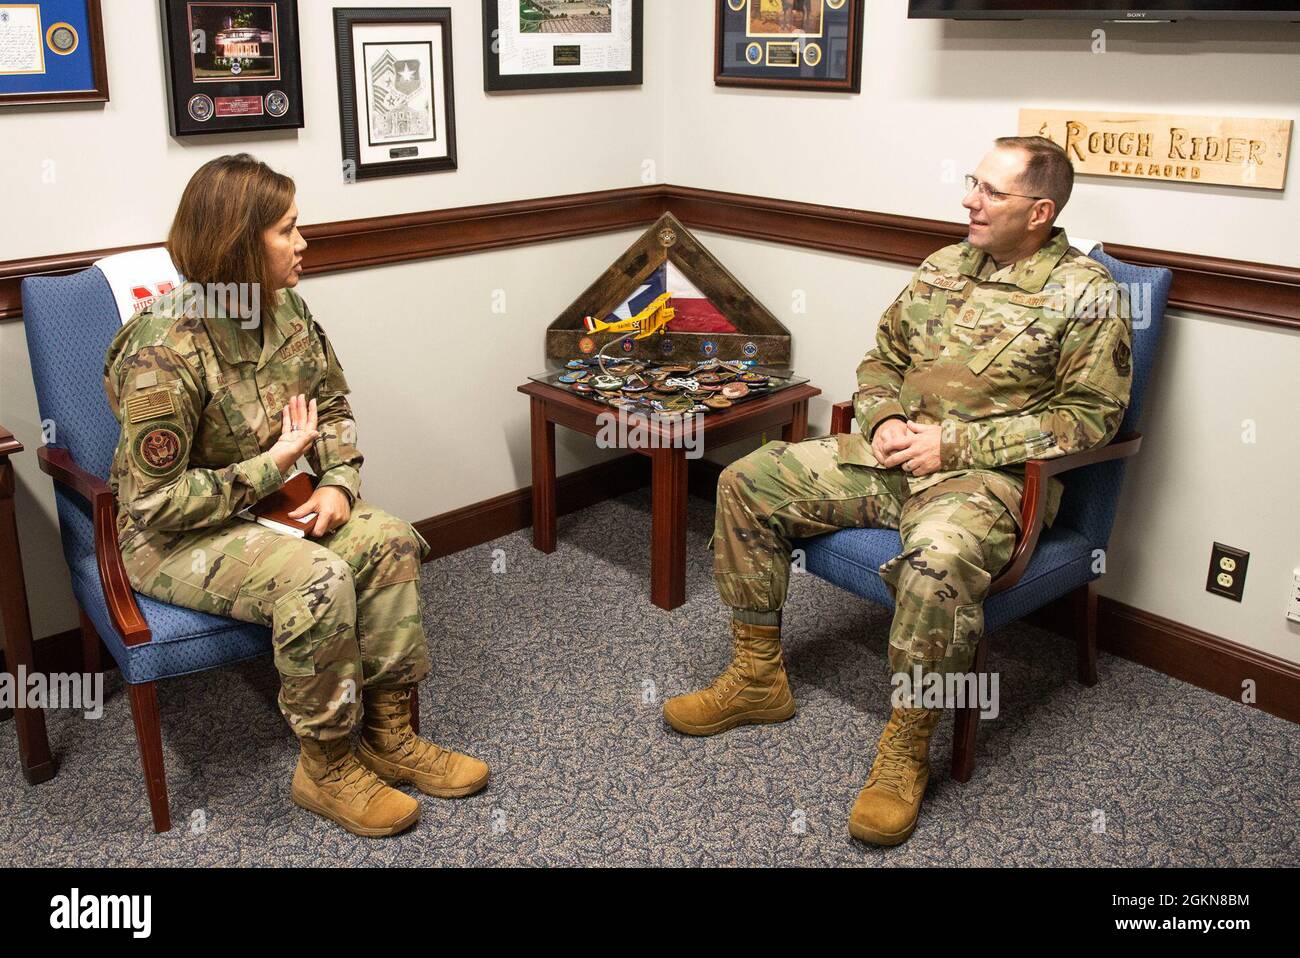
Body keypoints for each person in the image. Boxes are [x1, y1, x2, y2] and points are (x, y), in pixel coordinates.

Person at [663, 136, 1133, 846]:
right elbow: (881, 356)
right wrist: (881, 416)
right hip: (889, 458)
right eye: (973, 182)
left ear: (1039, 212)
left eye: (989, 191)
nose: (968, 199)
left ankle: (908, 748)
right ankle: (757, 676)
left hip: (985, 482)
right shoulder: (944, 265)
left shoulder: (1086, 295)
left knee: (936, 566)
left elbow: (1091, 420)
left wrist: (954, 444)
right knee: (746, 481)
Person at [104, 154, 489, 837]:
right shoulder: (163, 348)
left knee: (389, 539)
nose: (303, 243)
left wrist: (339, 481)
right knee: (317, 577)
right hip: (175, 538)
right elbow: (154, 504)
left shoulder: (285, 308)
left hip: (273, 509)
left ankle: (388, 737)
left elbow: (333, 403)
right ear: (238, 243)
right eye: (287, 230)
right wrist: (270, 466)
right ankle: (327, 767)